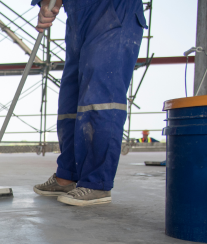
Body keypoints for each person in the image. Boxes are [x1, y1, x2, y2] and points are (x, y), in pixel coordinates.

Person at [31, 0, 148, 206]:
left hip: (112, 9)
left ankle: (97, 183)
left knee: (101, 95)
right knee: (71, 98)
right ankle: (67, 175)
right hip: (77, 13)